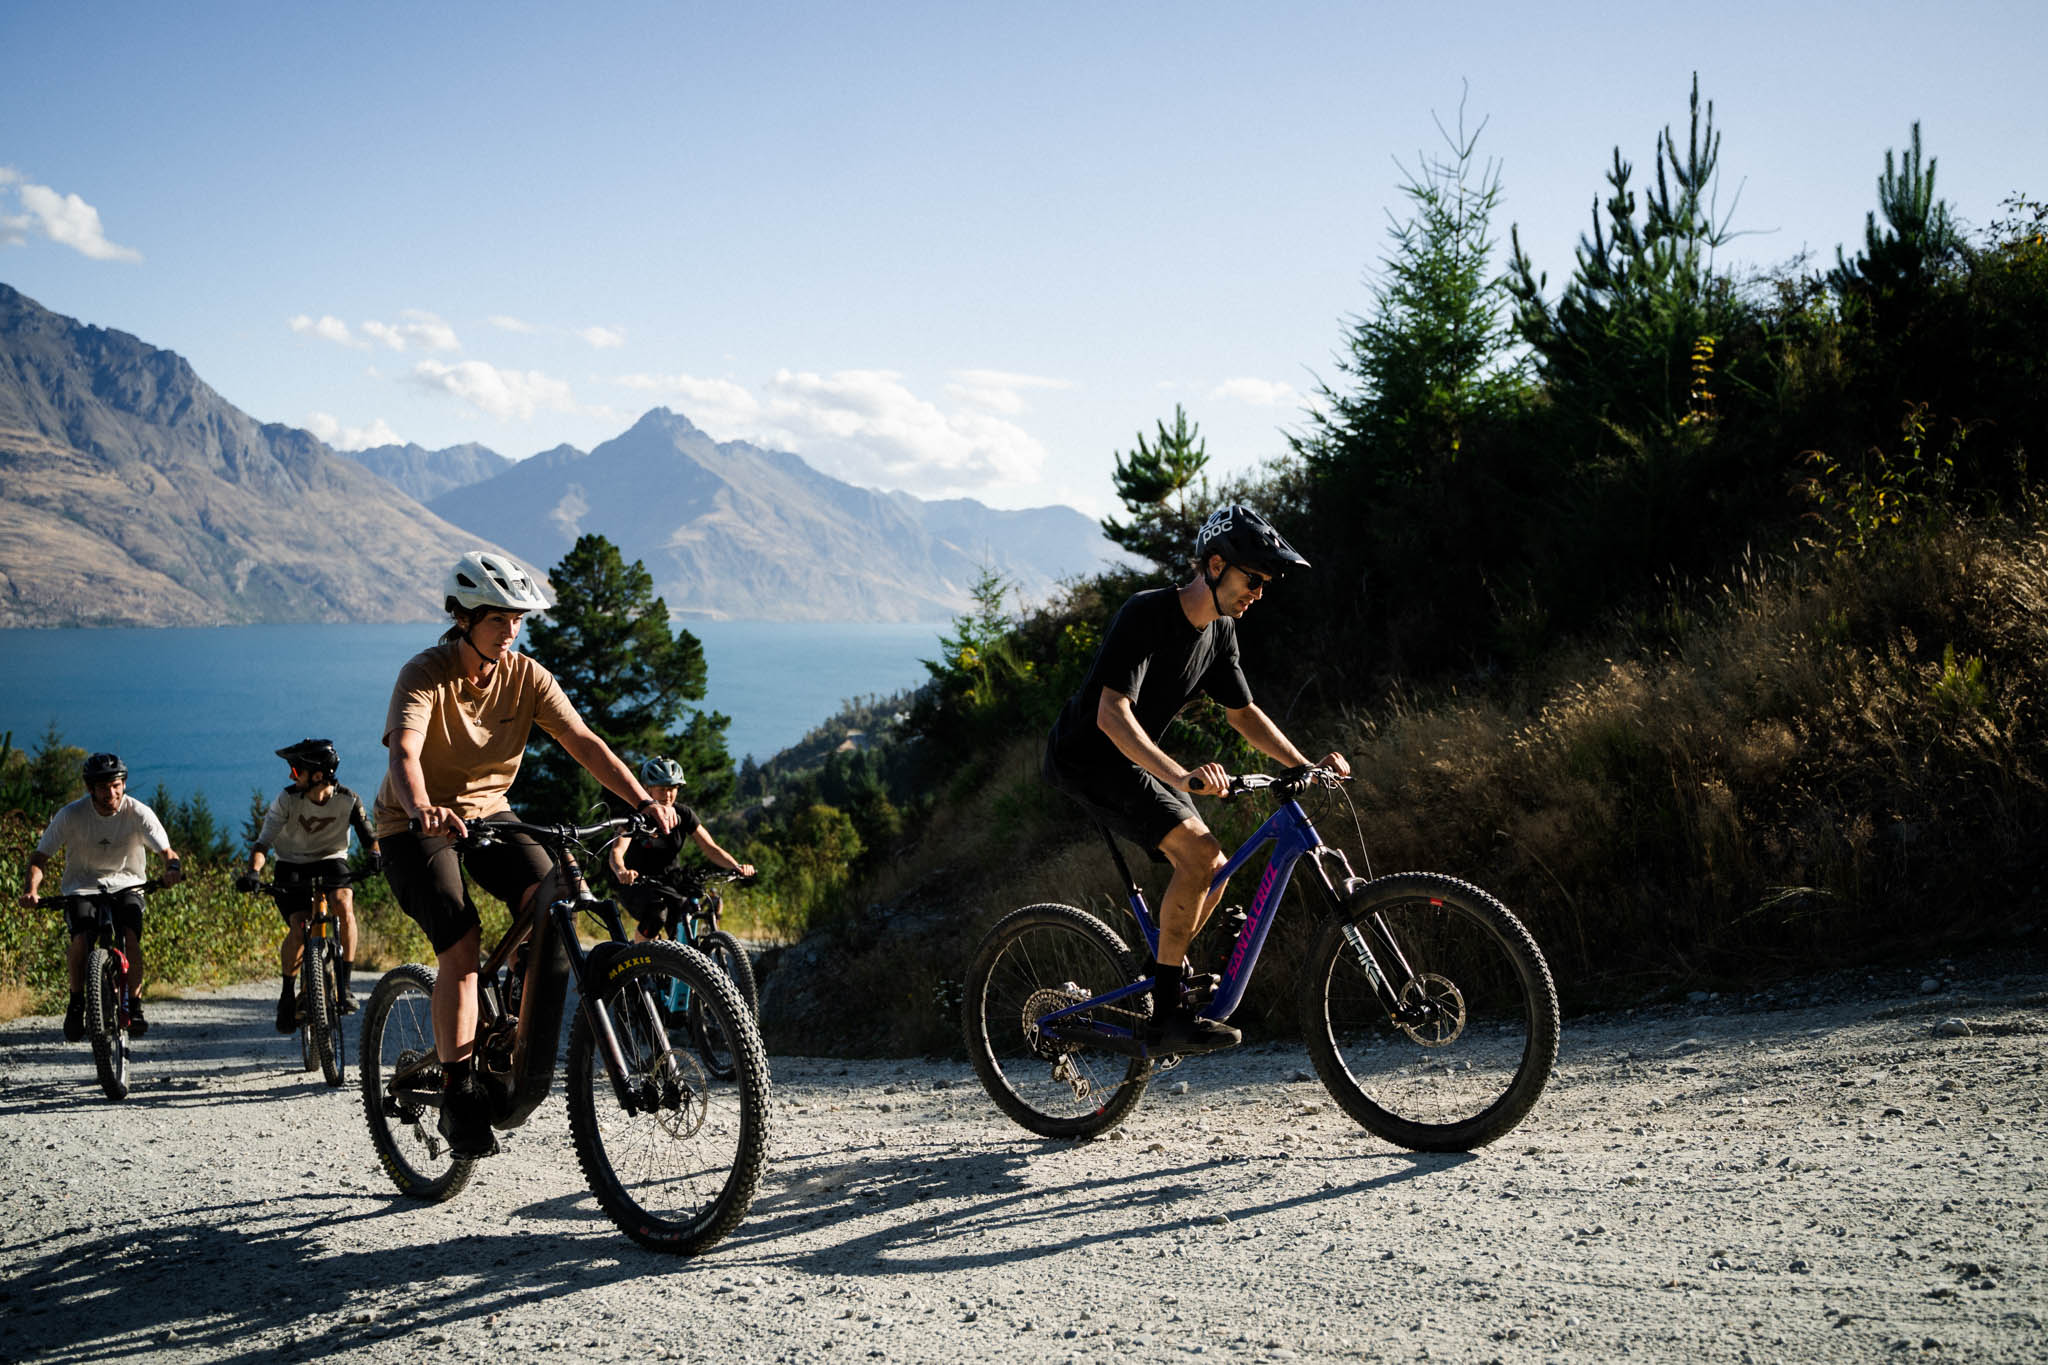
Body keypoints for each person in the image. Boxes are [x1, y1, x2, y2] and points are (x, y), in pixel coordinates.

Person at [373, 550, 678, 1158]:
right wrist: (422, 808)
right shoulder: (424, 673)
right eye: (499, 619)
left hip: (490, 813)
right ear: (462, 617)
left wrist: (643, 799)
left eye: (518, 619)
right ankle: (459, 1093)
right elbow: (405, 754)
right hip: (415, 823)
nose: (511, 631)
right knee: (460, 942)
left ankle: (512, 1017)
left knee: (554, 899)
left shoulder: (527, 676)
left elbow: (582, 742)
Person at [1042, 504, 1350, 1054]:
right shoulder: (1147, 615)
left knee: (1216, 867)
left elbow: (1243, 713)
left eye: (1265, 584)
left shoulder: (1221, 632)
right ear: (1214, 565)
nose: (1258, 592)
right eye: (1252, 579)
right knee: (1202, 855)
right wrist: (1181, 776)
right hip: (1086, 757)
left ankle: (1163, 980)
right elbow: (1111, 713)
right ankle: (1168, 1013)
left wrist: (1301, 765)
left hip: (1129, 761)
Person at [18, 752, 185, 1041]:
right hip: (82, 886)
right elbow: (39, 858)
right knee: (81, 941)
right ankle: (76, 1002)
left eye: (117, 785)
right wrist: (31, 890)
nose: (112, 792)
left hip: (128, 885)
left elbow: (167, 853)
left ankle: (135, 1005)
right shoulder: (71, 815)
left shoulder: (138, 812)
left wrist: (172, 869)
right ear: (90, 789)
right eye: (104, 787)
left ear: (123, 784)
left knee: (130, 938)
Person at [236, 738, 380, 1030]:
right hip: (291, 864)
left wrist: (377, 856)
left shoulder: (348, 799)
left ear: (316, 775)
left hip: (330, 859)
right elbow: (262, 844)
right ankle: (288, 993)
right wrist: (253, 873)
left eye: (295, 771)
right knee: (300, 926)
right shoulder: (286, 800)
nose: (291, 776)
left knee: (343, 903)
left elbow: (369, 837)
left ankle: (345, 984)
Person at [606, 755, 754, 942]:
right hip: (636, 883)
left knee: (687, 915)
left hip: (670, 882)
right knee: (656, 915)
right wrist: (622, 871)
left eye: (672, 789)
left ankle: (679, 963)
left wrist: (736, 866)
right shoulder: (635, 816)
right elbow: (617, 851)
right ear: (647, 789)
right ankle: (641, 963)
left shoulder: (683, 814)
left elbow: (710, 847)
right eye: (662, 789)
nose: (668, 795)